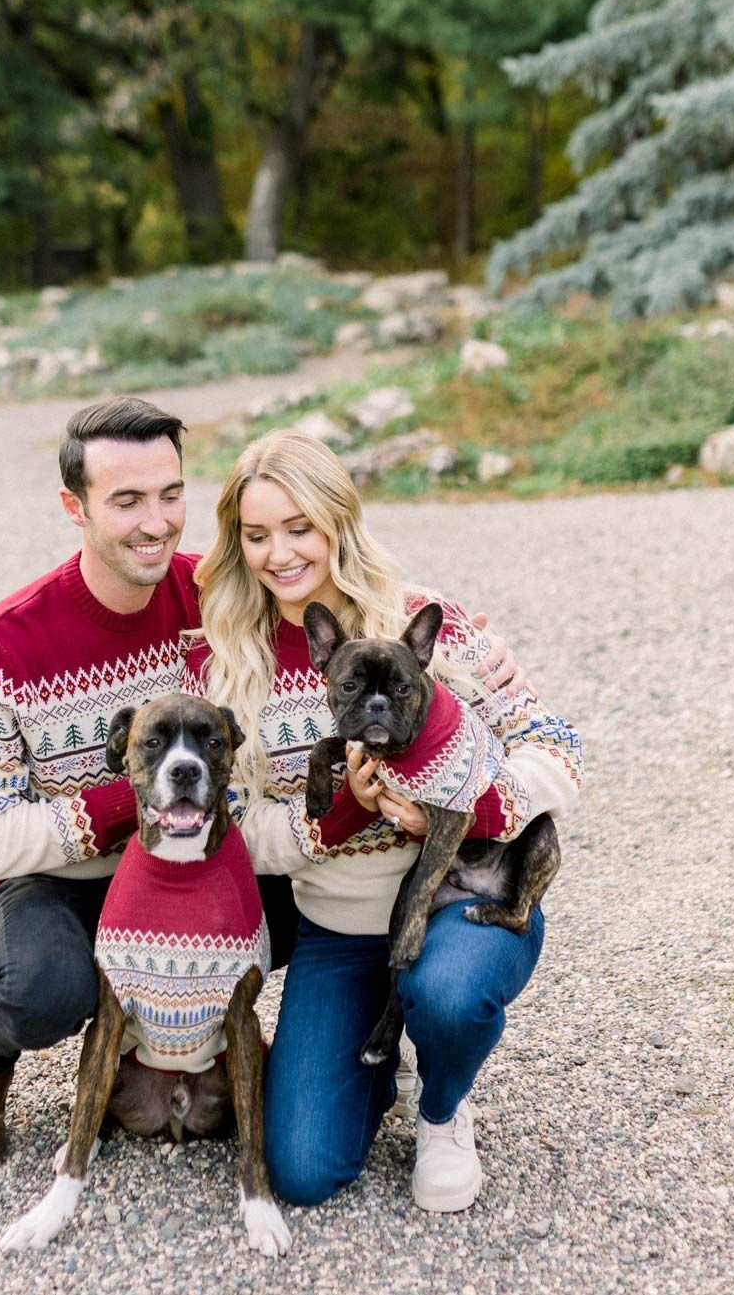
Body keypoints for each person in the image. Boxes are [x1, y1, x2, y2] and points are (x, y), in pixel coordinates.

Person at [0, 397, 521, 1172]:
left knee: (276, 888)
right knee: (47, 982)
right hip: (60, 875)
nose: (156, 522)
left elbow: (332, 598)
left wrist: (486, 667)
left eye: (171, 495)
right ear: (74, 506)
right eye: (126, 500)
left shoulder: (209, 595)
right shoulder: (2, 643)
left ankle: (336, 1045)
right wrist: (132, 802)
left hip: (191, 854)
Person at [182, 429, 583, 1212]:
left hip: (456, 898)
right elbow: (234, 826)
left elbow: (558, 749)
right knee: (300, 1167)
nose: (280, 553)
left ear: (338, 521)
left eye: (299, 527)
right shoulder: (229, 660)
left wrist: (479, 806)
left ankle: (441, 1105)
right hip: (337, 925)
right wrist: (328, 822)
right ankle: (380, 1047)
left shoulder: (428, 625)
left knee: (451, 991)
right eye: (256, 535)